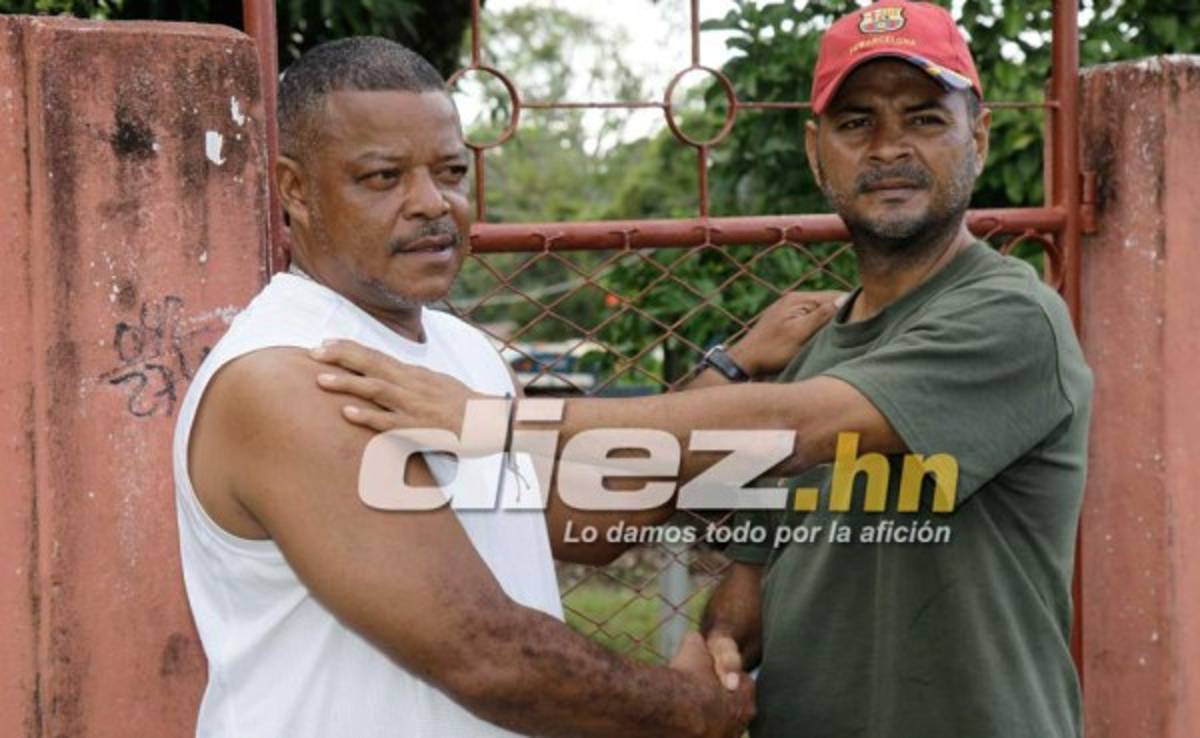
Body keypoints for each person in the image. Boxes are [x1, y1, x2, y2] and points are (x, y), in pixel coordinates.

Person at [311, 3, 1093, 737]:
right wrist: (720, 640)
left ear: (979, 137)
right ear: (816, 151)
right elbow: (754, 565)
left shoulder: (1011, 318)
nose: (889, 148)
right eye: (857, 123)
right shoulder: (814, 348)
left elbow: (797, 427)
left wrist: (493, 423)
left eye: (925, 119)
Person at [173, 36, 768, 738]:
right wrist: (693, 709)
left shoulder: (464, 351)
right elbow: (482, 652)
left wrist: (745, 374)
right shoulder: (291, 374)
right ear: (295, 190)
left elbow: (585, 514)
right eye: (383, 177)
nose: (433, 204)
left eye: (451, 171)